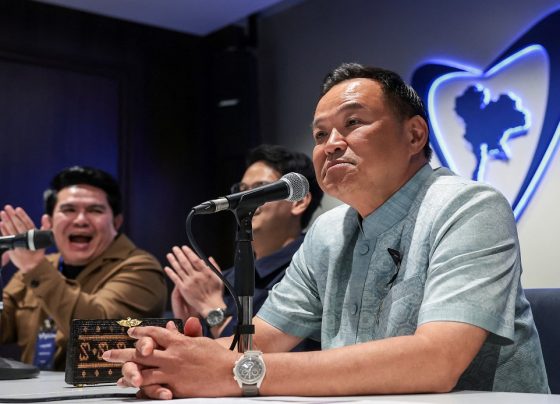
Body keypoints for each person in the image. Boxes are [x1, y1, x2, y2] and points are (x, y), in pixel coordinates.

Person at [103, 63, 549, 398]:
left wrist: (235, 372)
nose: (331, 144)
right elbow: (260, 342)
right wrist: (169, 361)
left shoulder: (470, 206)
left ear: (415, 136)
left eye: (353, 123)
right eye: (319, 135)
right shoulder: (327, 231)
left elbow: (437, 360)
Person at [0, 166, 167, 370]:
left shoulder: (141, 268)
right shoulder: (36, 268)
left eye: (95, 210)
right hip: (34, 387)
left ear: (116, 222)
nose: (81, 220)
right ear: (49, 222)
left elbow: (98, 333)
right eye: (68, 210)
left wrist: (35, 267)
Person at [165, 144, 322, 345]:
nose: (245, 198)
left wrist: (212, 309)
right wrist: (190, 326)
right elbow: (206, 355)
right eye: (242, 189)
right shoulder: (222, 280)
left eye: (260, 188)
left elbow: (270, 354)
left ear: (298, 201)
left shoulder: (311, 269)